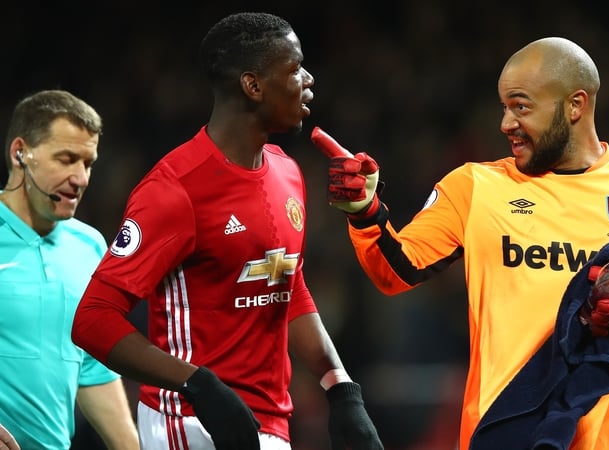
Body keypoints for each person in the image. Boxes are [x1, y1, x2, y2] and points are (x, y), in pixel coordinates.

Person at [314, 37, 609, 450]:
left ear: (575, 105)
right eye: (504, 107)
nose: (506, 123)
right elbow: (395, 272)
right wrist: (365, 212)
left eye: (521, 106)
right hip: (498, 436)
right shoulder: (474, 186)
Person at [71, 12, 384, 450]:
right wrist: (199, 385)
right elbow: (92, 320)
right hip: (188, 424)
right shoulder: (174, 189)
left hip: (269, 424)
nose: (309, 79)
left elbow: (286, 284)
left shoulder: (288, 173)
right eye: (295, 68)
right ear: (253, 86)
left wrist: (341, 388)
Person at [0, 89, 139, 449]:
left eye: (88, 163)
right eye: (66, 159)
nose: (80, 178)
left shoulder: (90, 247)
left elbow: (92, 368)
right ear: (20, 154)